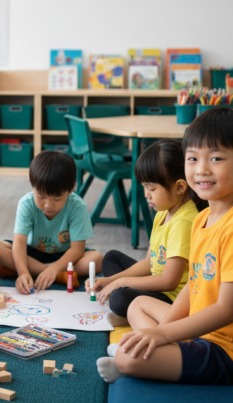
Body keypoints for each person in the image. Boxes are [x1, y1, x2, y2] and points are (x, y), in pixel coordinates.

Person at [98, 107, 233, 385]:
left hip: (223, 349)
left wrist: (162, 334)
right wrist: (170, 329)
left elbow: (226, 310)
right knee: (137, 305)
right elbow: (192, 287)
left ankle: (142, 355)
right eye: (193, 158)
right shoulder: (203, 218)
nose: (202, 169)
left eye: (216, 158)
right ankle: (154, 348)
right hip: (197, 329)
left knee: (127, 357)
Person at [87, 140, 201, 327]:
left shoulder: (184, 222)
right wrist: (111, 280)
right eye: (144, 187)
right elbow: (149, 263)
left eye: (152, 188)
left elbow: (168, 282)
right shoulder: (163, 211)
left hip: (170, 299)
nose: (146, 194)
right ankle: (128, 309)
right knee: (111, 258)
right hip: (156, 282)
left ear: (180, 187)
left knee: (119, 297)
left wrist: (121, 282)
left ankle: (135, 313)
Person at [0, 150, 103, 294]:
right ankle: (56, 275)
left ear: (71, 189)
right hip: (32, 253)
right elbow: (19, 243)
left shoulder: (77, 206)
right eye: (41, 196)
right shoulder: (26, 203)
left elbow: (77, 250)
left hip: (65, 256)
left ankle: (29, 270)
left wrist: (55, 268)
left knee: (97, 259)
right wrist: (23, 272)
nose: (48, 205)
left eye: (57, 199)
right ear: (32, 185)